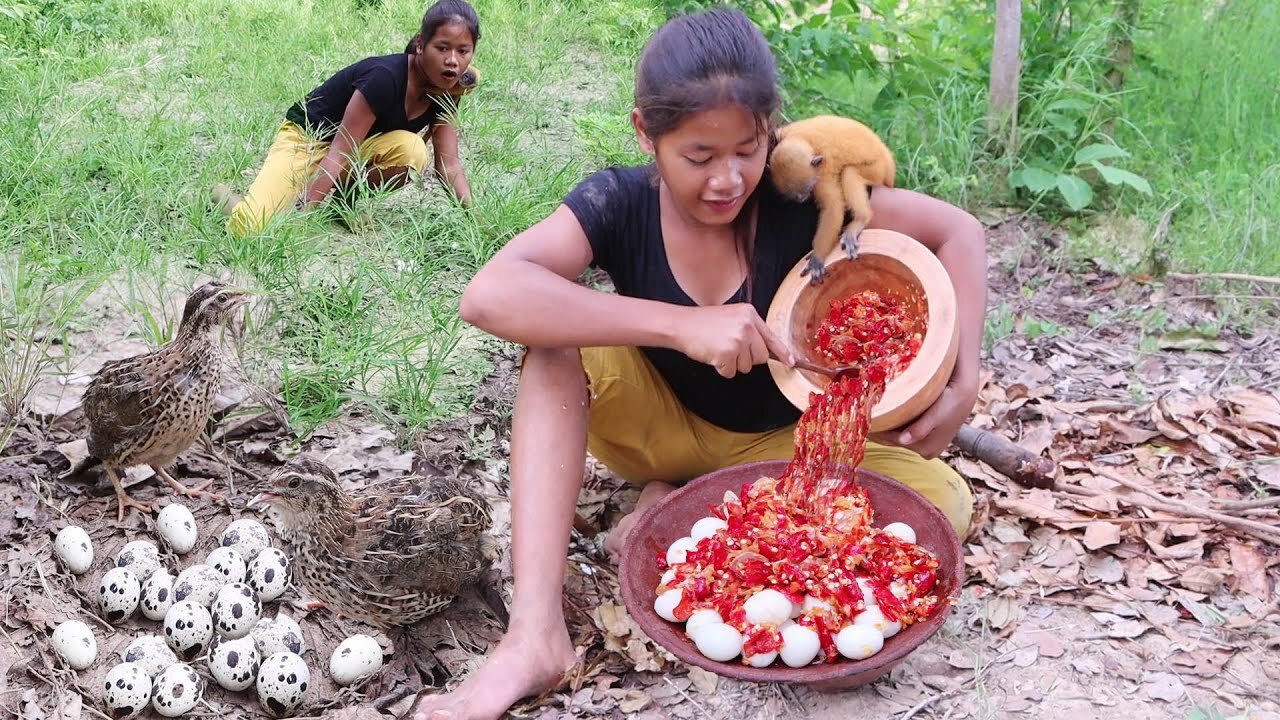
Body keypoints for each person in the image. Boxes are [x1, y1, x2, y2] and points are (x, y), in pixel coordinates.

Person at [414, 7, 986, 719]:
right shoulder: (618, 201)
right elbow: (490, 294)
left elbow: (958, 232)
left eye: (748, 150)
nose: (728, 179)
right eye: (698, 157)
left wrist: (964, 381)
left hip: (788, 445)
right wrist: (682, 327)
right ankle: (535, 636)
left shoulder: (798, 197)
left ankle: (685, 503)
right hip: (654, 424)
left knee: (945, 506)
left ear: (773, 133)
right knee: (554, 338)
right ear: (645, 134)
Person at [215, 0, 479, 236]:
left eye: (463, 51)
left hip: (354, 146)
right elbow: (339, 152)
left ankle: (344, 201)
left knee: (413, 150)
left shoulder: (448, 90)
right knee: (251, 229)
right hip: (309, 138)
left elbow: (449, 166)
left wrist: (478, 223)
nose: (452, 61)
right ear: (421, 44)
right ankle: (220, 195)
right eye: (442, 48)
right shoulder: (384, 78)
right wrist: (303, 214)